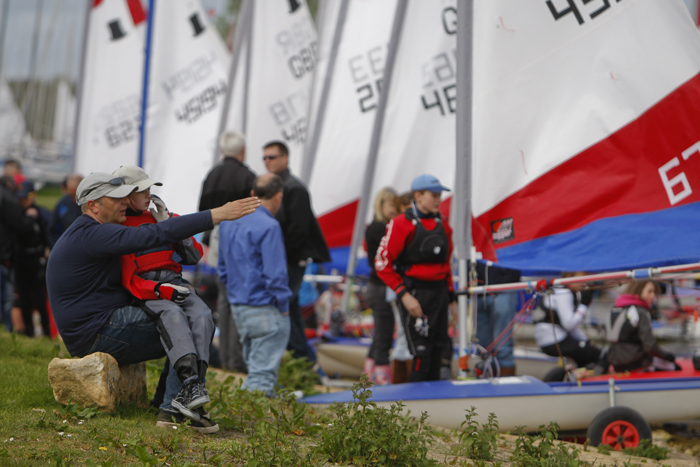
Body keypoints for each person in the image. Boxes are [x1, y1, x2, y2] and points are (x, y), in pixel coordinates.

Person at [46, 172, 260, 433]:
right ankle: (174, 408)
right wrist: (216, 214)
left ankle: (171, 402)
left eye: (126, 195)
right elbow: (153, 234)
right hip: (96, 331)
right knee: (187, 322)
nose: (124, 201)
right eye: (116, 198)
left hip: (98, 324)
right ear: (93, 206)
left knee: (190, 317)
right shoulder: (93, 234)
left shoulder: (90, 230)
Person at [113, 165, 213, 421]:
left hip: (176, 282)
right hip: (149, 290)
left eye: (150, 189)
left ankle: (191, 393)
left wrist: (170, 224)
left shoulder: (165, 217)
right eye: (142, 190)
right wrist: (159, 290)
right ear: (126, 195)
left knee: (203, 315)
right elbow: (129, 280)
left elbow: (194, 256)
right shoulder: (120, 226)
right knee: (173, 316)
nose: (148, 195)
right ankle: (187, 388)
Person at [375, 174, 457, 382]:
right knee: (421, 352)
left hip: (439, 294)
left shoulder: (444, 225)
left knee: (440, 349)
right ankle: (413, 408)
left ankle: (434, 406)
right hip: (414, 295)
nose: (438, 200)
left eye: (440, 195)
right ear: (418, 196)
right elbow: (382, 263)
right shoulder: (401, 224)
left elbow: (445, 266)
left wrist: (453, 300)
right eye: (434, 195)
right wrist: (403, 295)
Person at [218, 173, 291, 396]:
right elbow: (274, 275)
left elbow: (222, 268)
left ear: (252, 194)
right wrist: (284, 305)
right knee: (261, 376)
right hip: (264, 305)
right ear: (278, 197)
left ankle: (249, 410)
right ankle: (252, 420)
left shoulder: (228, 223)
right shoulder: (270, 226)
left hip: (239, 305)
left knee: (255, 367)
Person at [263, 140, 330, 361]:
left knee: (284, 308)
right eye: (264, 158)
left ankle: (303, 359)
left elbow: (298, 231)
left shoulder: (294, 188)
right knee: (288, 309)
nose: (267, 162)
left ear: (285, 158)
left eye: (272, 157)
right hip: (284, 260)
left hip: (291, 260)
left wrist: (280, 259)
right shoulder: (278, 187)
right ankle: (303, 360)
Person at [198, 130, 255, 374]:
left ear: (223, 151)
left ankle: (229, 360)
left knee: (223, 299)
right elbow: (253, 212)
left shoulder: (212, 175)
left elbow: (202, 213)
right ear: (243, 151)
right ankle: (237, 361)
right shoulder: (248, 176)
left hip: (217, 243)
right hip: (241, 244)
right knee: (239, 300)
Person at [533, 272, 605, 368]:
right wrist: (583, 305)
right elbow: (569, 325)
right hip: (553, 341)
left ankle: (579, 375)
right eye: (582, 279)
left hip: (552, 339)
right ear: (568, 278)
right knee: (597, 354)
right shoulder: (564, 292)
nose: (585, 283)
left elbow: (570, 327)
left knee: (586, 354)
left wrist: (586, 341)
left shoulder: (562, 290)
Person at [364, 187, 398, 384]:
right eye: (391, 205)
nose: (394, 209)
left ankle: (370, 373)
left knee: (380, 333)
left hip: (377, 286)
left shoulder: (377, 227)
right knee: (384, 332)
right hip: (380, 286)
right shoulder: (379, 229)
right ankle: (381, 376)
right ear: (382, 205)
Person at [606, 280, 676, 372]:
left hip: (616, 364)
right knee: (674, 367)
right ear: (638, 290)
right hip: (637, 364)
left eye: (654, 292)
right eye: (650, 291)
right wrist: (667, 356)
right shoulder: (642, 311)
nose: (653, 296)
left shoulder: (614, 308)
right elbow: (650, 346)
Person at [14, 181, 52, 338]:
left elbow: (48, 237)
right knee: (23, 297)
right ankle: (28, 331)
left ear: (33, 196)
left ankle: (47, 332)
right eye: (21, 198)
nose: (23, 202)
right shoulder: (17, 213)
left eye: (26, 198)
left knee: (40, 297)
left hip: (37, 259)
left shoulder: (42, 214)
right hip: (20, 258)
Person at [0, 176, 35, 332]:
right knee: (8, 298)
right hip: (4, 256)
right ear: (9, 184)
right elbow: (19, 226)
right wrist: (29, 217)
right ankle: (8, 330)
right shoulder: (7, 197)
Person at [474, 263, 521, 376]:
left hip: (503, 288)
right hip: (478, 291)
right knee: (483, 350)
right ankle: (489, 387)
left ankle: (505, 388)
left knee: (502, 347)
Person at [49, 173, 83, 245]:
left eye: (76, 195)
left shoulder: (89, 205)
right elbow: (51, 228)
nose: (74, 198)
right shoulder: (62, 204)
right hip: (64, 246)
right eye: (71, 194)